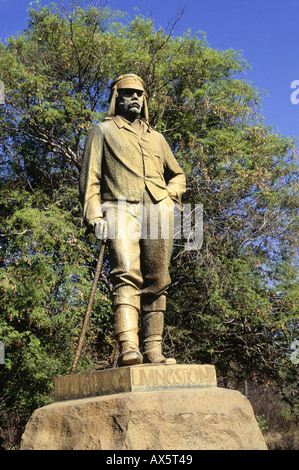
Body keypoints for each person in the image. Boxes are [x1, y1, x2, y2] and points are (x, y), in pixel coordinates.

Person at [80, 73, 186, 367]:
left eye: (139, 94)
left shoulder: (157, 138)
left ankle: (153, 351)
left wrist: (171, 198)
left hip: (157, 210)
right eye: (128, 93)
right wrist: (94, 214)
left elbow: (177, 174)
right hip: (118, 207)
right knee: (126, 272)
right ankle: (129, 346)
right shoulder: (102, 131)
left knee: (159, 280)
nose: (135, 98)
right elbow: (90, 181)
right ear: (117, 96)